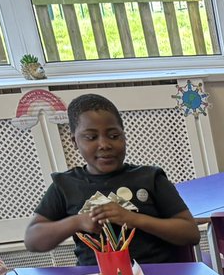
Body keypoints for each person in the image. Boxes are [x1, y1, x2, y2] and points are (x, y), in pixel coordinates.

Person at [25, 93, 200, 266]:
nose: (104, 145)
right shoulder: (64, 185)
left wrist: (134, 219)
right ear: (75, 142)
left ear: (124, 137)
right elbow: (33, 240)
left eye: (114, 136)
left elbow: (190, 233)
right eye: (91, 137)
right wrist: (77, 222)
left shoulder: (150, 178)